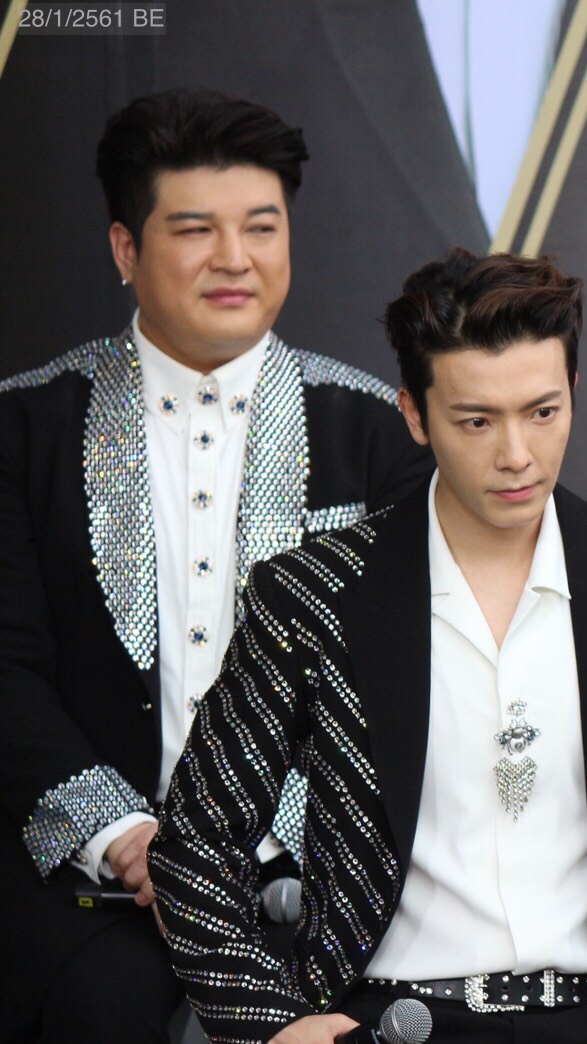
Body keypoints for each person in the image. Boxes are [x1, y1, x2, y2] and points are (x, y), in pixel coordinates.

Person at [146, 248, 587, 1044]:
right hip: (390, 1023)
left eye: (543, 412)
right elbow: (194, 842)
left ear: (574, 390)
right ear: (414, 415)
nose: (516, 455)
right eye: (476, 421)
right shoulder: (313, 594)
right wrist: (272, 1023)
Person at [0, 88, 431, 1042]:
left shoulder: (378, 434)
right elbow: (8, 672)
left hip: (323, 884)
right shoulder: (24, 426)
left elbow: (415, 681)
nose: (235, 259)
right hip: (92, 893)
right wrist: (126, 839)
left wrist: (281, 838)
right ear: (125, 249)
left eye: (261, 228)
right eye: (196, 229)